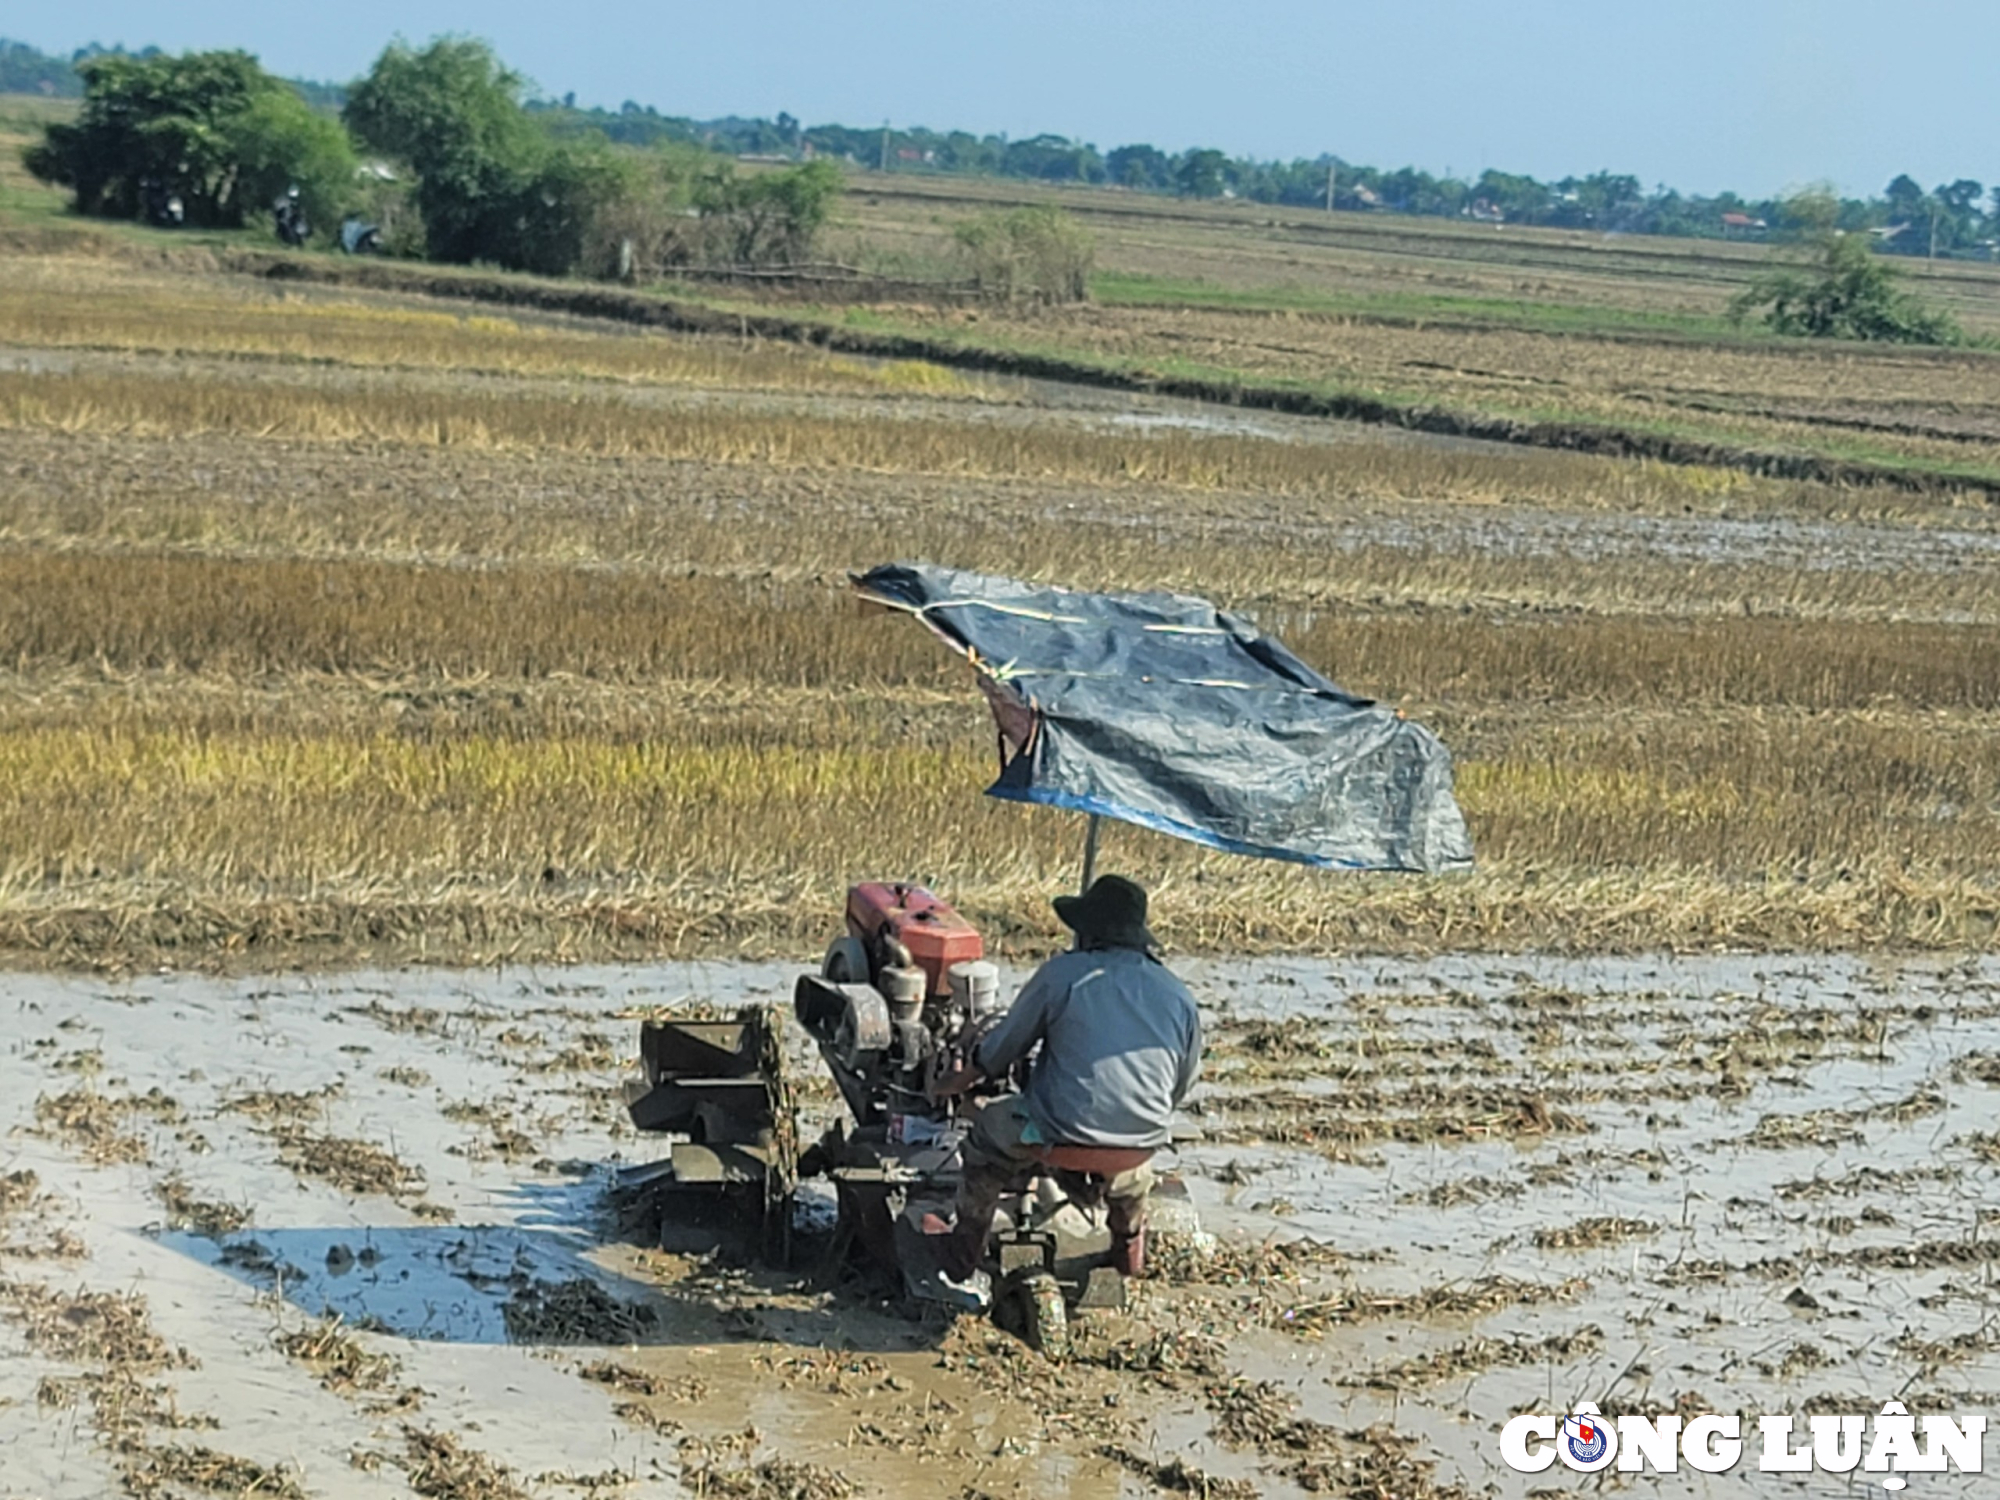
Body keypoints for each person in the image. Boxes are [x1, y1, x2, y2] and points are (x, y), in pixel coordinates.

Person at [925, 874, 1201, 1301]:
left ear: (1087, 931)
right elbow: (1182, 1080)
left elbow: (1002, 1049)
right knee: (1131, 1177)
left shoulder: (1062, 975)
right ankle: (1128, 1252)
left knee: (985, 1139)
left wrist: (955, 1082)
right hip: (1140, 1142)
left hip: (1058, 1132)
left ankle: (961, 1255)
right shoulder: (1176, 993)